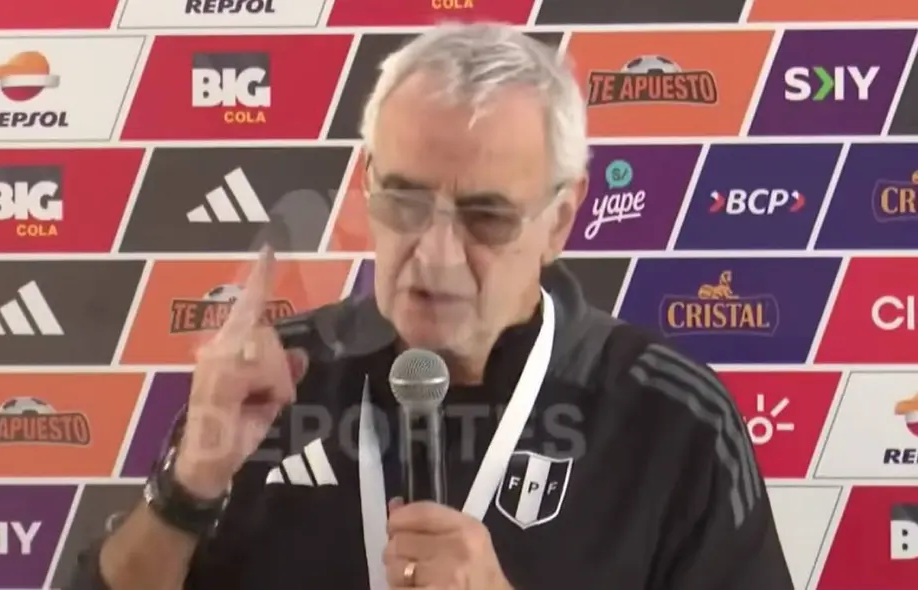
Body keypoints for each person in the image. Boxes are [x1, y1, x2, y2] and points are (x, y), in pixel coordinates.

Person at [70, 22, 794, 590]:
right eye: (405, 202)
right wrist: (187, 488)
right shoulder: (269, 383)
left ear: (560, 221)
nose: (436, 255)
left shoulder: (671, 418)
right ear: (365, 184)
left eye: (486, 216)